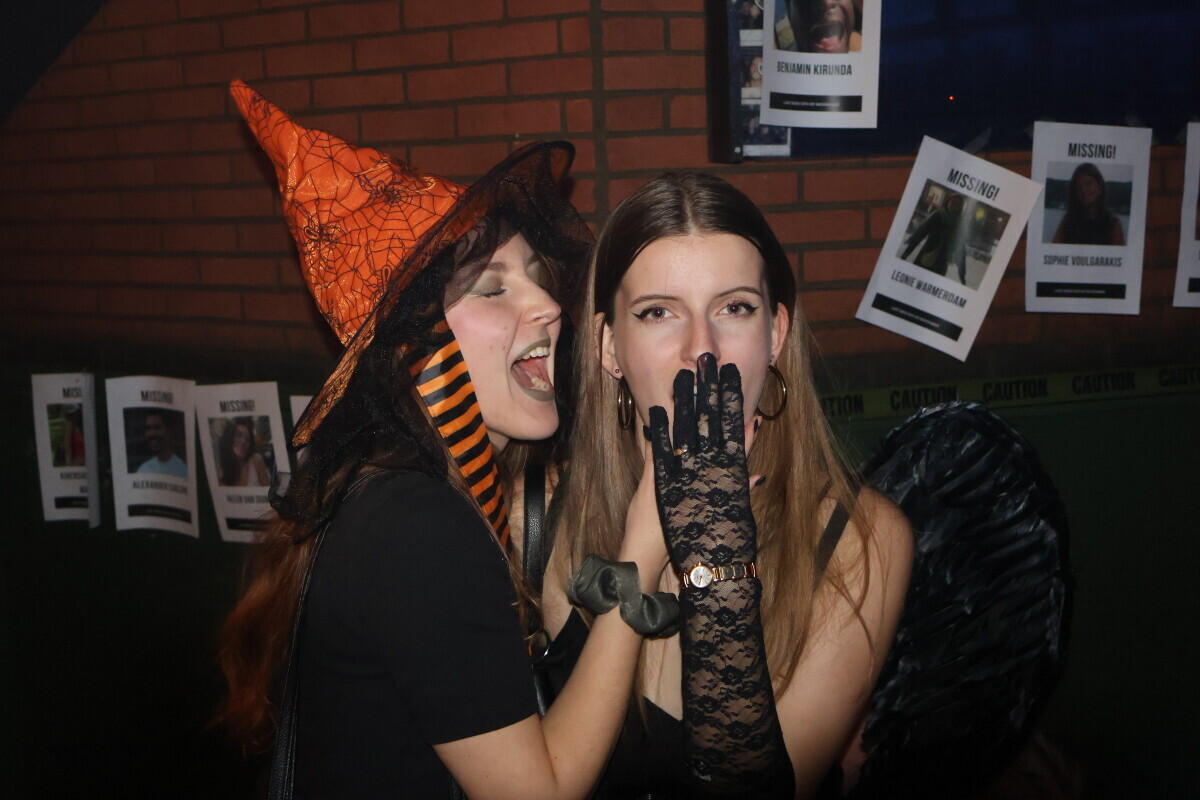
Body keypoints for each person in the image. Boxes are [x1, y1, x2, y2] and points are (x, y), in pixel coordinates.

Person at [215, 82, 670, 799]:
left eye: (536, 277)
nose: (549, 304)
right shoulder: (418, 525)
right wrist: (642, 551)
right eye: (491, 288)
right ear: (414, 348)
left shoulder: (390, 491)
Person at [543, 173, 912, 798]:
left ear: (775, 334)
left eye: (734, 308)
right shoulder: (547, 508)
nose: (702, 350)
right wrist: (644, 547)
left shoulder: (863, 540)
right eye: (659, 312)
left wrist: (717, 564)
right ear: (609, 347)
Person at [899, 192, 969, 284]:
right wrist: (904, 255)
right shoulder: (938, 215)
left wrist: (962, 276)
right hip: (926, 257)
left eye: (958, 205)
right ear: (947, 202)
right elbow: (920, 234)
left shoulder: (960, 224)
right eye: (953, 203)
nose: (955, 207)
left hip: (941, 264)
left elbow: (961, 250)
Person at [1051, 162, 1126, 246]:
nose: (1083, 190)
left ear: (1099, 186)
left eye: (1088, 184)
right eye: (1079, 187)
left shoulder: (1112, 224)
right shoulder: (1068, 221)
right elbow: (1054, 248)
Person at [217, 417, 271, 487]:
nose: (243, 441)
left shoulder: (256, 460)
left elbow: (268, 490)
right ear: (229, 437)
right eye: (238, 435)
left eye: (247, 439)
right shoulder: (220, 471)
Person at [137, 411, 187, 478]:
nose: (152, 433)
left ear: (169, 431)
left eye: (157, 427)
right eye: (148, 428)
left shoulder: (182, 470)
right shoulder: (143, 469)